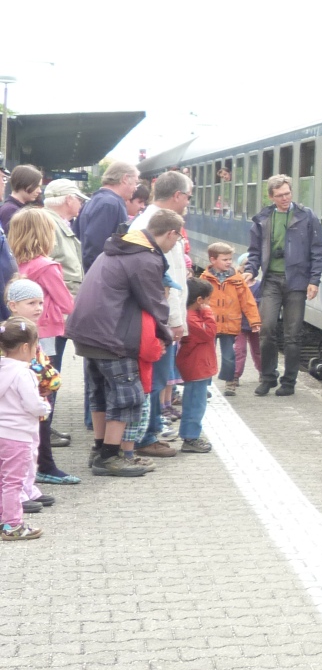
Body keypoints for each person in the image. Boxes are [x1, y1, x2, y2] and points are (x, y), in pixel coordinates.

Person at [64, 211, 183, 477]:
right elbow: (154, 303)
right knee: (126, 397)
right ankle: (110, 457)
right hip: (113, 336)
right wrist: (164, 336)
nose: (175, 244)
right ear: (171, 233)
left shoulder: (118, 248)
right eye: (177, 240)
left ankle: (99, 449)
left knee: (99, 394)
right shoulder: (144, 257)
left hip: (87, 332)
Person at [129, 171, 192, 458]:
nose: (188, 202)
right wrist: (176, 321)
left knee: (156, 378)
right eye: (188, 196)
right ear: (177, 195)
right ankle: (146, 436)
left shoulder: (147, 220)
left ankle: (150, 430)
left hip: (155, 315)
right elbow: (167, 281)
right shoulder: (158, 225)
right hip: (159, 318)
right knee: (155, 379)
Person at [243, 175, 322, 397]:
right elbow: (254, 251)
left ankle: (289, 382)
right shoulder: (263, 219)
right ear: (271, 197)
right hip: (271, 280)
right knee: (266, 328)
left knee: (293, 334)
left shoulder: (306, 216)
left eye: (287, 193)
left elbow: (318, 251)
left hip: (297, 281)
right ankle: (268, 377)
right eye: (279, 195)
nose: (285, 198)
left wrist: (314, 280)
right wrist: (250, 270)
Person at [8, 208, 75, 466]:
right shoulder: (47, 266)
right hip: (46, 335)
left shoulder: (15, 264)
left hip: (19, 333)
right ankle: (44, 461)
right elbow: (66, 303)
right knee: (46, 390)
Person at [4, 278, 75, 487]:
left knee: (38, 435)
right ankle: (41, 471)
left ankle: (39, 472)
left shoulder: (30, 329)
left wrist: (50, 379)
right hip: (20, 401)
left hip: (37, 394)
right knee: (25, 443)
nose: (38, 308)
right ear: (13, 305)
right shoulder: (12, 334)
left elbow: (41, 361)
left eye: (41, 303)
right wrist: (44, 379)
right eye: (31, 303)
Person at [0, 316, 51, 541]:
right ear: (24, 347)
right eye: (35, 345)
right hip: (17, 436)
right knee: (13, 482)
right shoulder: (23, 373)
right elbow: (32, 405)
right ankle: (12, 525)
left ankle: (4, 519)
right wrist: (45, 407)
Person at [202, 242, 261, 397]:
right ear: (213, 260)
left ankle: (230, 383)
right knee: (207, 357)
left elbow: (247, 301)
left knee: (229, 356)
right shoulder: (204, 279)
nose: (229, 262)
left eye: (230, 259)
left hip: (230, 324)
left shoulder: (237, 280)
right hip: (210, 324)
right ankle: (205, 385)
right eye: (225, 259)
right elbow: (198, 301)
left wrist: (254, 321)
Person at [174, 278, 218, 452]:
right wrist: (207, 312)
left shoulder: (192, 315)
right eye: (208, 299)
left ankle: (191, 435)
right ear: (199, 300)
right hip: (196, 366)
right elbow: (210, 332)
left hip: (199, 365)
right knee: (195, 404)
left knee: (196, 402)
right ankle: (190, 437)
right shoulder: (191, 318)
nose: (209, 303)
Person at [78, 161, 141, 273]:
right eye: (135, 182)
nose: (136, 188)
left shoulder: (94, 201)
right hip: (102, 275)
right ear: (125, 178)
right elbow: (96, 246)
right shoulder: (110, 204)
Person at [40, 179, 86, 295]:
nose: (81, 204)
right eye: (79, 199)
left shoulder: (49, 222)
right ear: (69, 200)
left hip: (62, 298)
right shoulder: (46, 224)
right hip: (58, 299)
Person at [0, 165, 43, 234]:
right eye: (36, 186)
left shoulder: (16, 208)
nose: (39, 191)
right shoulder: (10, 211)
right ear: (24, 183)